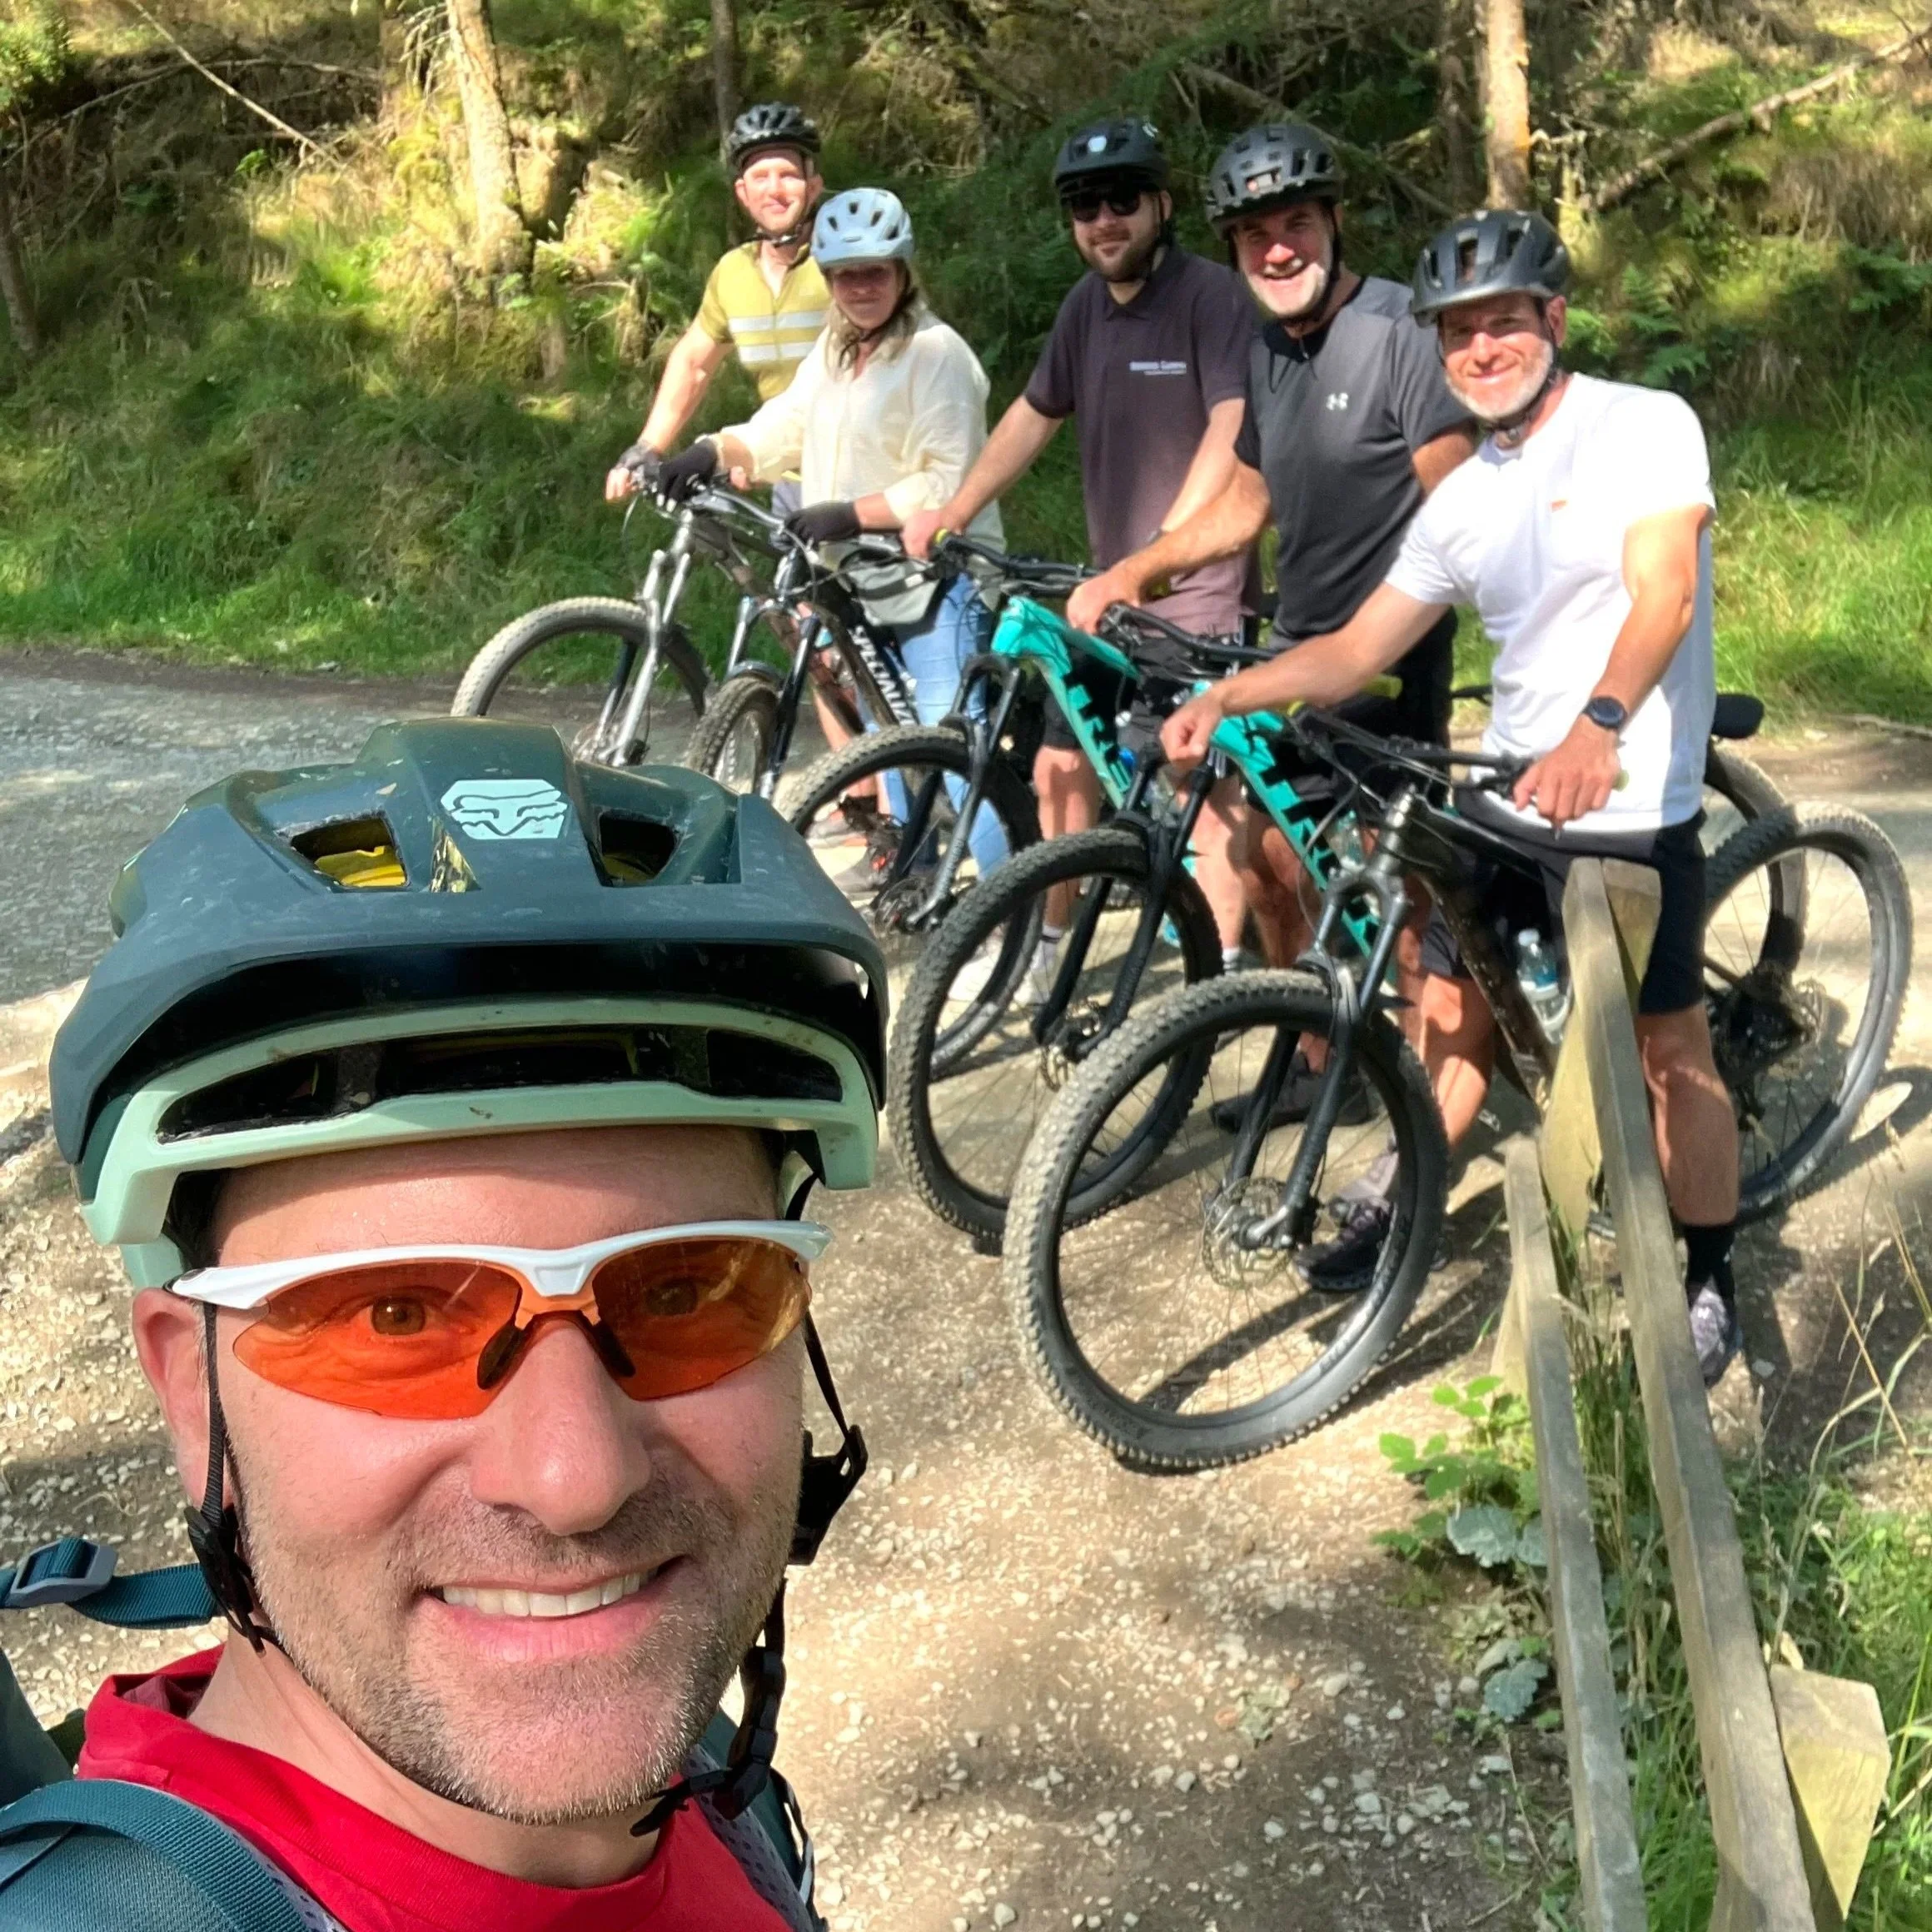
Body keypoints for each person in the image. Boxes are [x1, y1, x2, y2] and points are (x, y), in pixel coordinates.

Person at [0, 720, 886, 1927]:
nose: (578, 1479)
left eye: (684, 1292)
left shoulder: (699, 1765)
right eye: (395, 1315)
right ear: (192, 1390)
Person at [1161, 209, 1743, 1383]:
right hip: (1509, 788)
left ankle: (1708, 1265)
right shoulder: (1464, 495)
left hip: (1626, 797)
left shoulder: (1641, 426)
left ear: (1553, 321)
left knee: (1667, 1051)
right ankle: (1409, 1177)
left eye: (1504, 324)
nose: (1483, 350)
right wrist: (1233, 698)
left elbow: (1663, 594)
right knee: (1450, 1008)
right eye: (1459, 334)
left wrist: (1601, 728)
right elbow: (1354, 646)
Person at [1070, 123, 1477, 1033]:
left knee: (1397, 896)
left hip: (1388, 661)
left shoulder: (1399, 336)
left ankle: (1422, 1090)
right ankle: (1318, 1059)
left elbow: (1459, 515)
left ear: (1335, 224)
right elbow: (1245, 503)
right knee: (1265, 860)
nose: (1278, 247)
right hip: (1297, 653)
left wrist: (1388, 636)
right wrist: (1135, 571)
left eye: (1296, 223)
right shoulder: (1269, 348)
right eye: (1256, 235)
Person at [902, 117, 1259, 968]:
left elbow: (1232, 423)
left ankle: (1219, 974)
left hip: (1194, 600)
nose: (1104, 220)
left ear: (1162, 205)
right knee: (1058, 773)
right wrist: (955, 509)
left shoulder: (1213, 298)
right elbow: (1033, 414)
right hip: (1106, 597)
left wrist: (1170, 545)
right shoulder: (1083, 309)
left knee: (1203, 792)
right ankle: (1052, 947)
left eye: (1123, 201)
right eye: (1084, 206)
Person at [654, 188, 1011, 884]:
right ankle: (913, 875)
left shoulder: (938, 355)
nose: (860, 287)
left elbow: (951, 481)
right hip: (860, 579)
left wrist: (852, 512)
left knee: (950, 745)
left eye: (875, 272)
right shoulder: (839, 348)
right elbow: (787, 422)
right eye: (844, 274)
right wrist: (714, 448)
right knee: (887, 739)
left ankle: (1009, 912)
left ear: (903, 272)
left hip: (937, 580)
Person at [605, 102, 828, 510]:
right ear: (743, 193)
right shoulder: (733, 273)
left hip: (867, 475)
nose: (774, 189)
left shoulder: (847, 263)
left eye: (788, 175)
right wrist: (648, 446)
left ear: (813, 187)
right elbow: (694, 363)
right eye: (760, 177)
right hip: (790, 481)